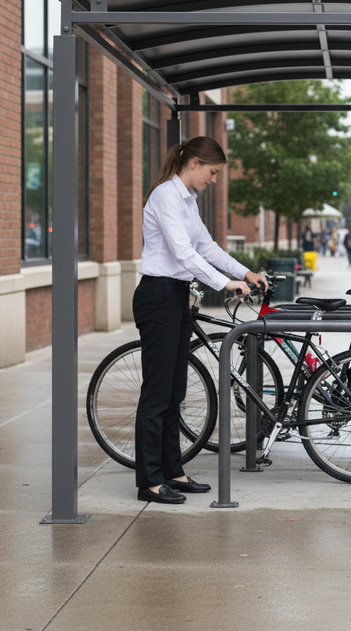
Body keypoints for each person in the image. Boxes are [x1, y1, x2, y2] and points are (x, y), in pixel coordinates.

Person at [134, 137, 268, 504]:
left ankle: (172, 472)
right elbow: (181, 251)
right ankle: (148, 480)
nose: (214, 180)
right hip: (157, 296)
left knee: (174, 392)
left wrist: (246, 272)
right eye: (212, 172)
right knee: (157, 393)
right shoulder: (165, 196)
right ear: (193, 163)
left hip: (175, 297)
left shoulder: (188, 201)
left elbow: (206, 246)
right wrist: (225, 283)